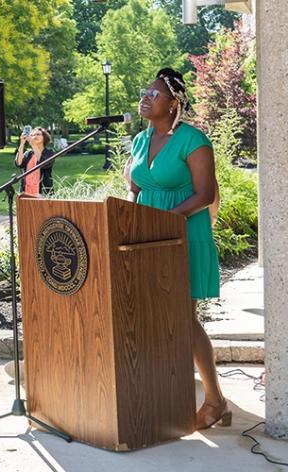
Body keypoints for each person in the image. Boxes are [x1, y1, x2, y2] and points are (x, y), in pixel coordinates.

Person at [125, 67, 227, 430]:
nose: (145, 98)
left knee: (183, 320)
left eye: (153, 94)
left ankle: (215, 400)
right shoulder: (140, 140)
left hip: (182, 232)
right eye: (144, 92)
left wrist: (165, 220)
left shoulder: (193, 140)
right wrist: (128, 217)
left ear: (174, 103)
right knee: (155, 317)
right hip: (145, 237)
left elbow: (206, 194)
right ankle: (163, 394)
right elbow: (136, 187)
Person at [15, 126, 55, 195]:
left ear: (44, 137)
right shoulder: (28, 153)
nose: (35, 136)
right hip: (26, 191)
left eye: (38, 134)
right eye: (32, 135)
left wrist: (34, 145)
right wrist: (22, 144)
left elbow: (43, 164)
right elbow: (19, 163)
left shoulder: (49, 153)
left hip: (43, 191)